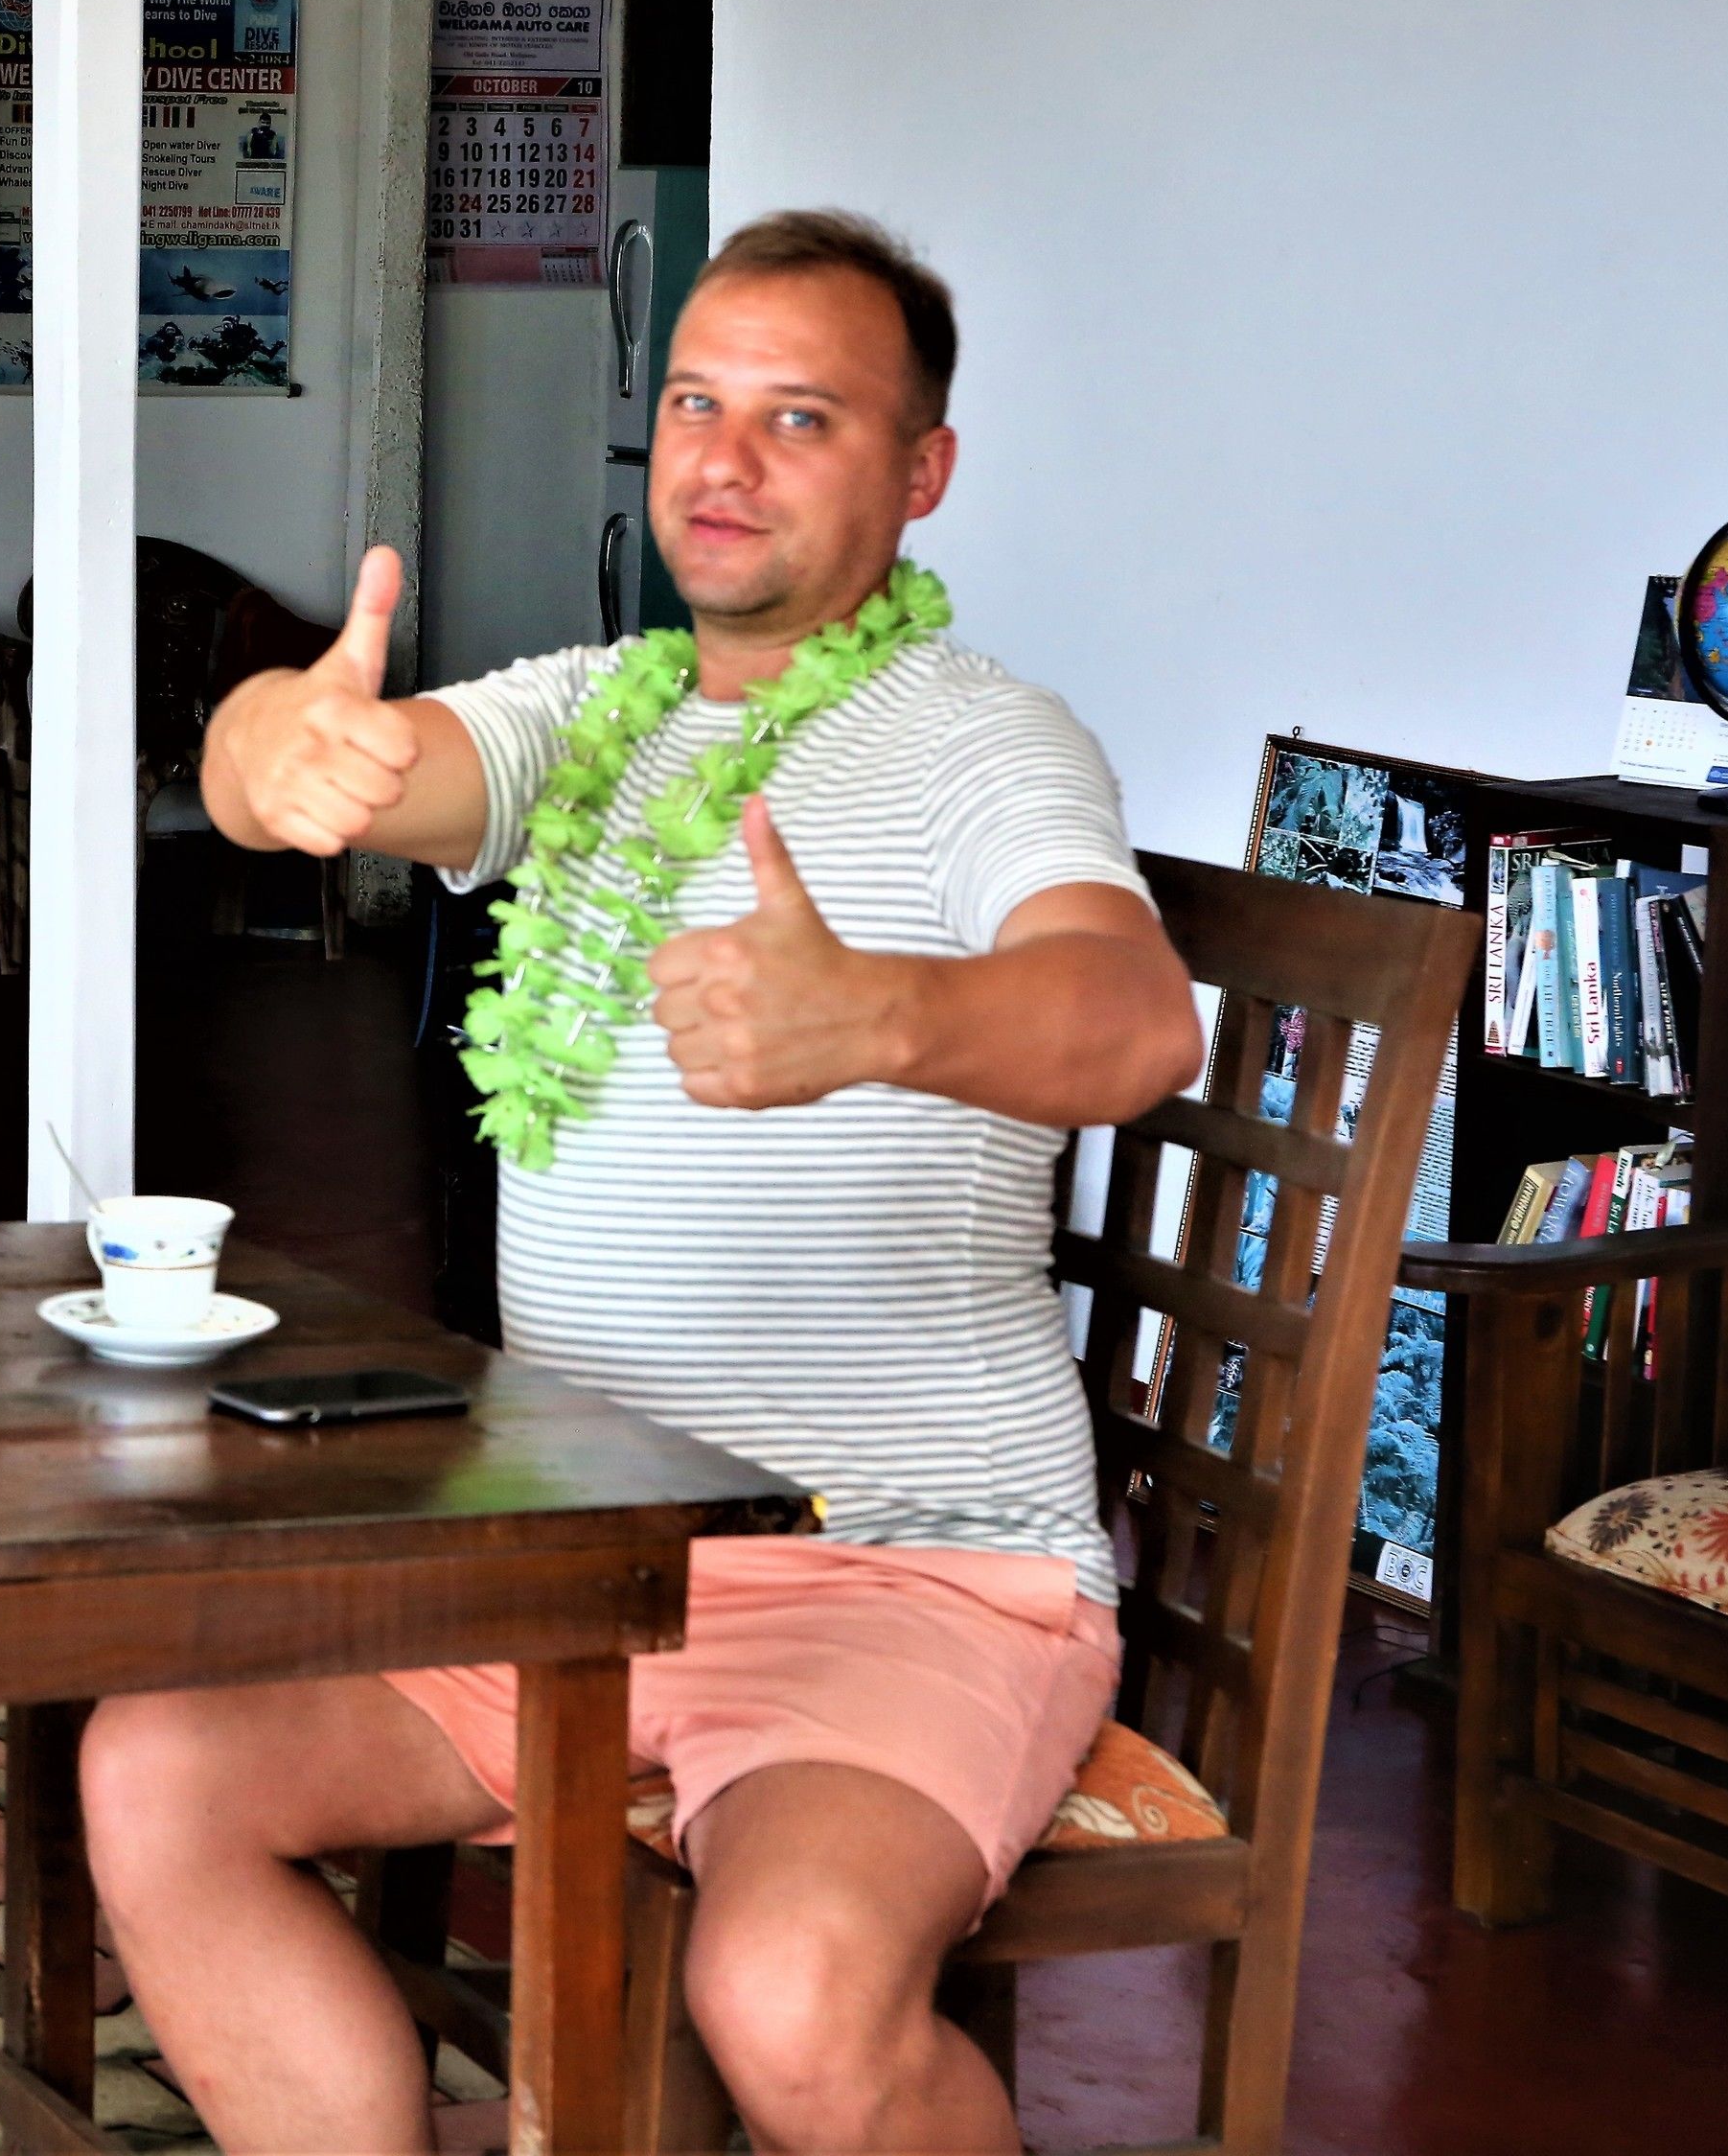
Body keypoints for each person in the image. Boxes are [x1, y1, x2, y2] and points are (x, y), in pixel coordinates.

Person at [80, 212, 1208, 2156]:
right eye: (695, 402)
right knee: (159, 1769)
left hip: (910, 1571)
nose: (723, 458)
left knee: (787, 1995)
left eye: (800, 416)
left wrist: (882, 1014)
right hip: (572, 1554)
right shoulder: (592, 712)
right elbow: (348, 760)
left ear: (923, 471)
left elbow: (1135, 1019)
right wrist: (277, 750)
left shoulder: (985, 747)